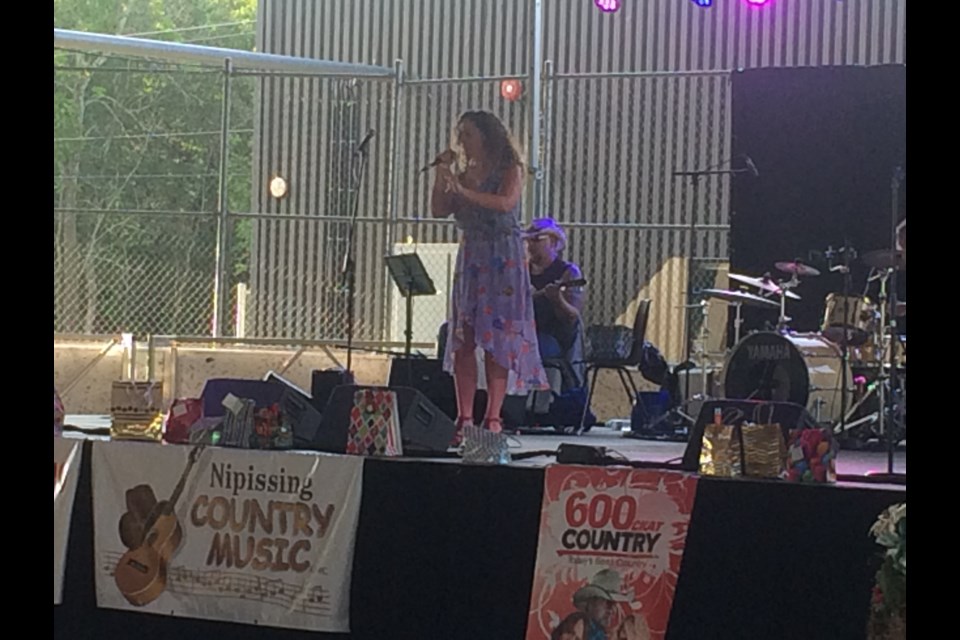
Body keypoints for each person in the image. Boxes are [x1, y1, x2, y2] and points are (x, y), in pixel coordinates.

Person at [430, 110, 547, 442]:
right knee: (464, 337)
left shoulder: (510, 168)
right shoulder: (465, 173)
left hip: (502, 256)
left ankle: (493, 416)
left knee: (499, 338)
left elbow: (505, 203)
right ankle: (464, 416)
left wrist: (463, 192)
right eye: (460, 134)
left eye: (468, 134)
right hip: (473, 257)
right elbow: (440, 208)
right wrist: (443, 173)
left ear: (486, 136)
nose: (463, 140)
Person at [525, 217, 585, 361]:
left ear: (553, 242)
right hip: (523, 333)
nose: (530, 245)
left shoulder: (568, 272)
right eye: (528, 240)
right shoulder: (522, 271)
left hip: (552, 337)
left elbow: (572, 317)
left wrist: (557, 300)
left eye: (537, 239)